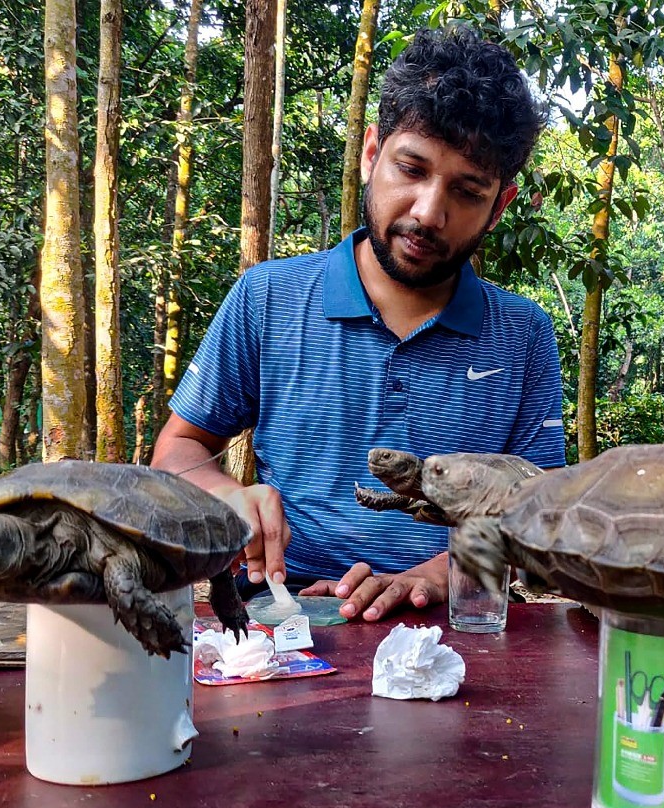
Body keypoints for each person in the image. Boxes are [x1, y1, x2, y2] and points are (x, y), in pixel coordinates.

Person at [152, 27, 566, 623]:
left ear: (499, 206)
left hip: (460, 627)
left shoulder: (523, 335)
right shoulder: (268, 298)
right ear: (372, 153)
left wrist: (443, 572)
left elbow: (544, 516)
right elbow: (180, 447)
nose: (428, 211)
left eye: (467, 190)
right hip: (283, 624)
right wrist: (227, 498)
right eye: (411, 169)